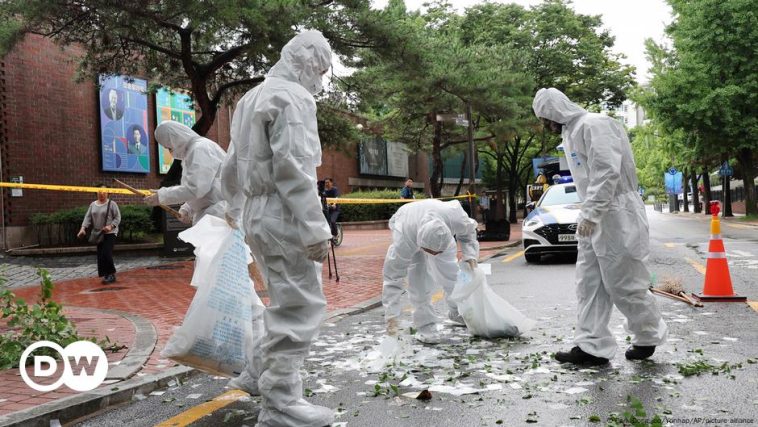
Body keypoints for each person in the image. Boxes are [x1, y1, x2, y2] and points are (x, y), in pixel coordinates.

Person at [220, 30, 334, 427]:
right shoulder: (293, 98)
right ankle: (281, 403)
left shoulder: (250, 97)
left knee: (282, 301)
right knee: (299, 307)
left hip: (256, 211)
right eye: (320, 68)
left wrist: (234, 207)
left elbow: (232, 164)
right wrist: (315, 227)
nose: (320, 79)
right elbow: (295, 168)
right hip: (282, 213)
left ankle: (261, 376)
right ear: (306, 61)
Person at [532, 88, 668, 365]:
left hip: (618, 212)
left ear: (555, 110)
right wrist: (590, 213)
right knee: (589, 282)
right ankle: (591, 346)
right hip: (595, 213)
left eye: (546, 118)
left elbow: (607, 169)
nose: (546, 125)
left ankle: (647, 335)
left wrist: (592, 212)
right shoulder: (571, 132)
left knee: (624, 281)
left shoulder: (595, 124)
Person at [383, 199, 479, 344]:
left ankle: (456, 312)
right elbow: (393, 279)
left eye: (436, 252)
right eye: (430, 251)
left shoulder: (455, 217)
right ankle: (426, 326)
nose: (433, 255)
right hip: (409, 224)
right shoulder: (404, 240)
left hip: (439, 232)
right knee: (419, 282)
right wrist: (391, 318)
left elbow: (469, 232)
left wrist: (470, 256)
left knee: (452, 275)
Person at [143, 121, 226, 226]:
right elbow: (203, 189)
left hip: (219, 216)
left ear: (175, 139)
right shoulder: (193, 151)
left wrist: (162, 196)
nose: (170, 152)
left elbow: (196, 189)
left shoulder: (200, 149)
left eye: (169, 147)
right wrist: (187, 209)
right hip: (213, 215)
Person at [77, 184, 121, 284]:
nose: (102, 194)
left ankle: (111, 274)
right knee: (101, 255)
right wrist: (82, 229)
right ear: (96, 193)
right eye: (100, 192)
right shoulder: (93, 204)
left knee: (106, 253)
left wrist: (111, 226)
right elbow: (87, 218)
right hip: (98, 232)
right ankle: (106, 275)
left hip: (110, 232)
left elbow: (118, 217)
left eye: (104, 192)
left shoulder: (112, 204)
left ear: (108, 193)